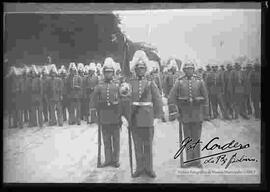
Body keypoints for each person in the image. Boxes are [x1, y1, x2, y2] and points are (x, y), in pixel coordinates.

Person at [128, 50, 163, 178]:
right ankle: (139, 168)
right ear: (135, 69)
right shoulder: (130, 83)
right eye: (138, 68)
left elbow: (157, 99)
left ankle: (149, 168)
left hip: (148, 118)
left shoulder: (150, 82)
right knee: (137, 145)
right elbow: (126, 101)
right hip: (135, 118)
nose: (140, 70)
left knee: (147, 145)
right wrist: (126, 117)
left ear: (145, 69)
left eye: (143, 68)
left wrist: (157, 117)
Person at [168, 61, 208, 168]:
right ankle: (189, 160)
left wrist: (205, 113)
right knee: (188, 138)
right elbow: (171, 98)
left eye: (191, 68)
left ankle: (197, 160)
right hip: (184, 115)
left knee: (196, 138)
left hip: (197, 114)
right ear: (184, 70)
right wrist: (175, 112)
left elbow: (206, 98)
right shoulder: (179, 82)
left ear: (193, 70)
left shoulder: (200, 81)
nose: (189, 70)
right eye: (187, 69)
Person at [92, 57, 122, 168]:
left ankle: (116, 160)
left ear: (113, 73)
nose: (108, 74)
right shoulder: (99, 86)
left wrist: (121, 115)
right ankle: (108, 159)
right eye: (106, 72)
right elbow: (93, 101)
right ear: (103, 73)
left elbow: (122, 101)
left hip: (115, 116)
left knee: (116, 140)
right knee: (106, 140)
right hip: (104, 116)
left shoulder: (117, 85)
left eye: (110, 72)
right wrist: (95, 113)